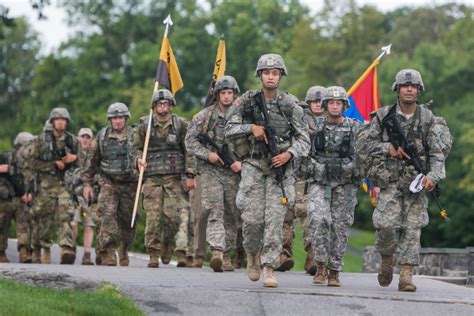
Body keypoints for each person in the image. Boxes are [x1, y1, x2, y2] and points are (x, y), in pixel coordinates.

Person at [225, 54, 310, 287]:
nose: (271, 77)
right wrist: (250, 127)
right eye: (267, 73)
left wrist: (289, 154)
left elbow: (304, 138)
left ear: (280, 76)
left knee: (275, 220)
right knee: (252, 219)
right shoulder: (246, 101)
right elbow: (228, 129)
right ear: (260, 75)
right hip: (253, 164)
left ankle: (269, 267)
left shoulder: (289, 104)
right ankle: (252, 255)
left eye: (275, 73)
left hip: (279, 169)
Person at [366, 69, 448, 292]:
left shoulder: (428, 119)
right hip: (389, 181)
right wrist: (388, 148)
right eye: (405, 86)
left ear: (419, 90)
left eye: (413, 86)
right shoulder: (383, 116)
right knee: (386, 226)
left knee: (413, 229)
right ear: (398, 89)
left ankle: (406, 274)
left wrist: (433, 176)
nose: (409, 89)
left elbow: (437, 153)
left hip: (417, 183)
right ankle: (386, 260)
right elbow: (363, 146)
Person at [185, 75, 242, 272]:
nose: (226, 97)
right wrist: (207, 154)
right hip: (210, 170)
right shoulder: (204, 116)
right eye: (223, 93)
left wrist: (240, 163)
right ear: (217, 95)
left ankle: (226, 254)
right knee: (214, 208)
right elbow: (190, 141)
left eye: (229, 93)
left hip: (234, 173)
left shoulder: (242, 116)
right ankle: (217, 250)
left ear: (235, 95)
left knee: (232, 213)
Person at [134, 89, 195, 268]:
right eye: (160, 104)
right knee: (153, 218)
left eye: (166, 103)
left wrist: (190, 174)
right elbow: (135, 148)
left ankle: (168, 244)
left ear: (171, 106)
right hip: (152, 178)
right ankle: (153, 252)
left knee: (173, 218)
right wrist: (138, 159)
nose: (163, 107)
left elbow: (189, 151)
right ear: (154, 106)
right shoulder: (145, 125)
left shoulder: (181, 125)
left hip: (173, 178)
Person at [305, 86, 360, 287]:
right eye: (331, 103)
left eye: (338, 103)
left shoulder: (355, 128)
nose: (335, 106)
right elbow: (305, 154)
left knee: (340, 227)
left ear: (344, 105)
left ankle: (334, 270)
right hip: (320, 182)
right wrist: (317, 168)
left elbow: (362, 156)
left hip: (344, 185)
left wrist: (347, 168)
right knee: (318, 220)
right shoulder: (314, 128)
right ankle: (320, 265)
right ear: (325, 105)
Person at [277, 85, 326, 274]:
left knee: (310, 217)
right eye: (314, 101)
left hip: (314, 177)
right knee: (285, 216)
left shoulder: (331, 122)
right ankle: (282, 254)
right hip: (292, 173)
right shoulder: (298, 118)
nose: (318, 105)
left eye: (321, 101)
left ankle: (312, 256)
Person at [83, 103, 137, 266]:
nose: (118, 121)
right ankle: (108, 252)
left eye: (121, 117)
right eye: (115, 118)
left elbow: (144, 157)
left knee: (129, 221)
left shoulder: (136, 135)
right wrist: (87, 184)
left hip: (130, 183)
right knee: (108, 216)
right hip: (108, 182)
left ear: (126, 118)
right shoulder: (101, 137)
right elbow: (90, 162)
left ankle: (124, 248)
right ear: (110, 120)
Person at [27, 108, 78, 264]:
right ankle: (43, 249)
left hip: (64, 185)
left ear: (67, 122)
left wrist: (74, 158)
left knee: (65, 216)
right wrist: (53, 164)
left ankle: (66, 249)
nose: (61, 122)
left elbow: (87, 161)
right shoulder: (40, 141)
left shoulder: (72, 140)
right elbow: (31, 163)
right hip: (45, 187)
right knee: (43, 220)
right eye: (58, 119)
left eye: (63, 119)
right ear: (52, 122)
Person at [68, 128, 98, 265]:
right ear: (77, 138)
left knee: (89, 224)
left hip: (89, 195)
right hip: (73, 195)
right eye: (82, 137)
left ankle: (87, 254)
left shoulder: (95, 155)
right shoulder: (71, 154)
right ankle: (71, 248)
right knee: (73, 223)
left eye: (88, 137)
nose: (85, 139)